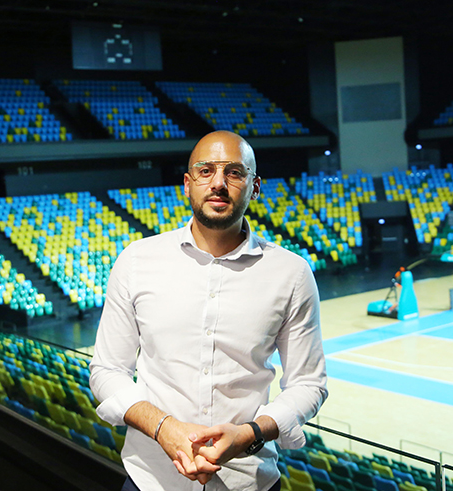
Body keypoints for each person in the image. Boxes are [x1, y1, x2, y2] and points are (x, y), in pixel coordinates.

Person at [89, 130, 327, 491]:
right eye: (205, 171)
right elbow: (107, 370)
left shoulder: (291, 273)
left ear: (255, 186)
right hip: (150, 479)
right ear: (187, 184)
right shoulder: (137, 260)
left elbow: (309, 383)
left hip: (250, 481)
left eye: (234, 172)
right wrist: (163, 428)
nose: (218, 183)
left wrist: (251, 434)